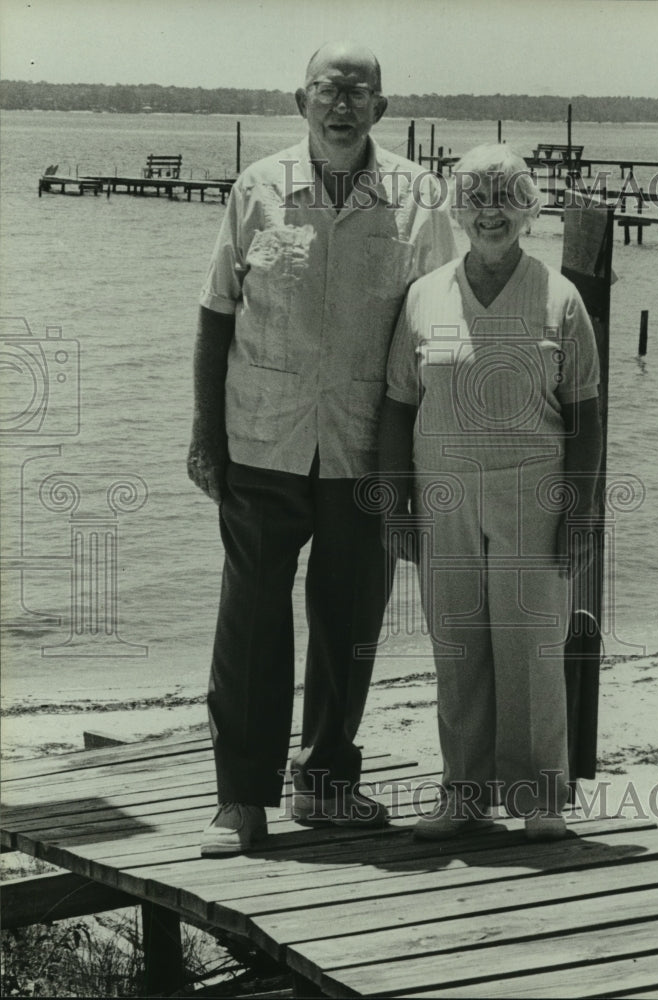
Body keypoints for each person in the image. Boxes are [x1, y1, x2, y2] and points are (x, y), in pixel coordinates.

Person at [188, 41, 456, 857]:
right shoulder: (257, 189)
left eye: (357, 92)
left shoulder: (419, 198)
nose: (341, 105)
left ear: (381, 107)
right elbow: (215, 315)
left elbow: (439, 335)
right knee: (251, 618)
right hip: (262, 438)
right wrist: (205, 432)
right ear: (299, 100)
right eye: (326, 90)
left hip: (365, 449)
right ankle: (241, 799)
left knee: (348, 621)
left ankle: (327, 783)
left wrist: (419, 468)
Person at [378, 145, 602, 841]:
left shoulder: (559, 296)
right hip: (441, 494)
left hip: (532, 496)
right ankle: (463, 793)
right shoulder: (424, 294)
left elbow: (587, 415)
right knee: (458, 647)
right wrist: (395, 508)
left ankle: (540, 799)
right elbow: (395, 406)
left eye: (506, 195)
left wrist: (580, 512)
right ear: (457, 208)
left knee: (531, 647)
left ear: (529, 208)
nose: (491, 210)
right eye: (476, 196)